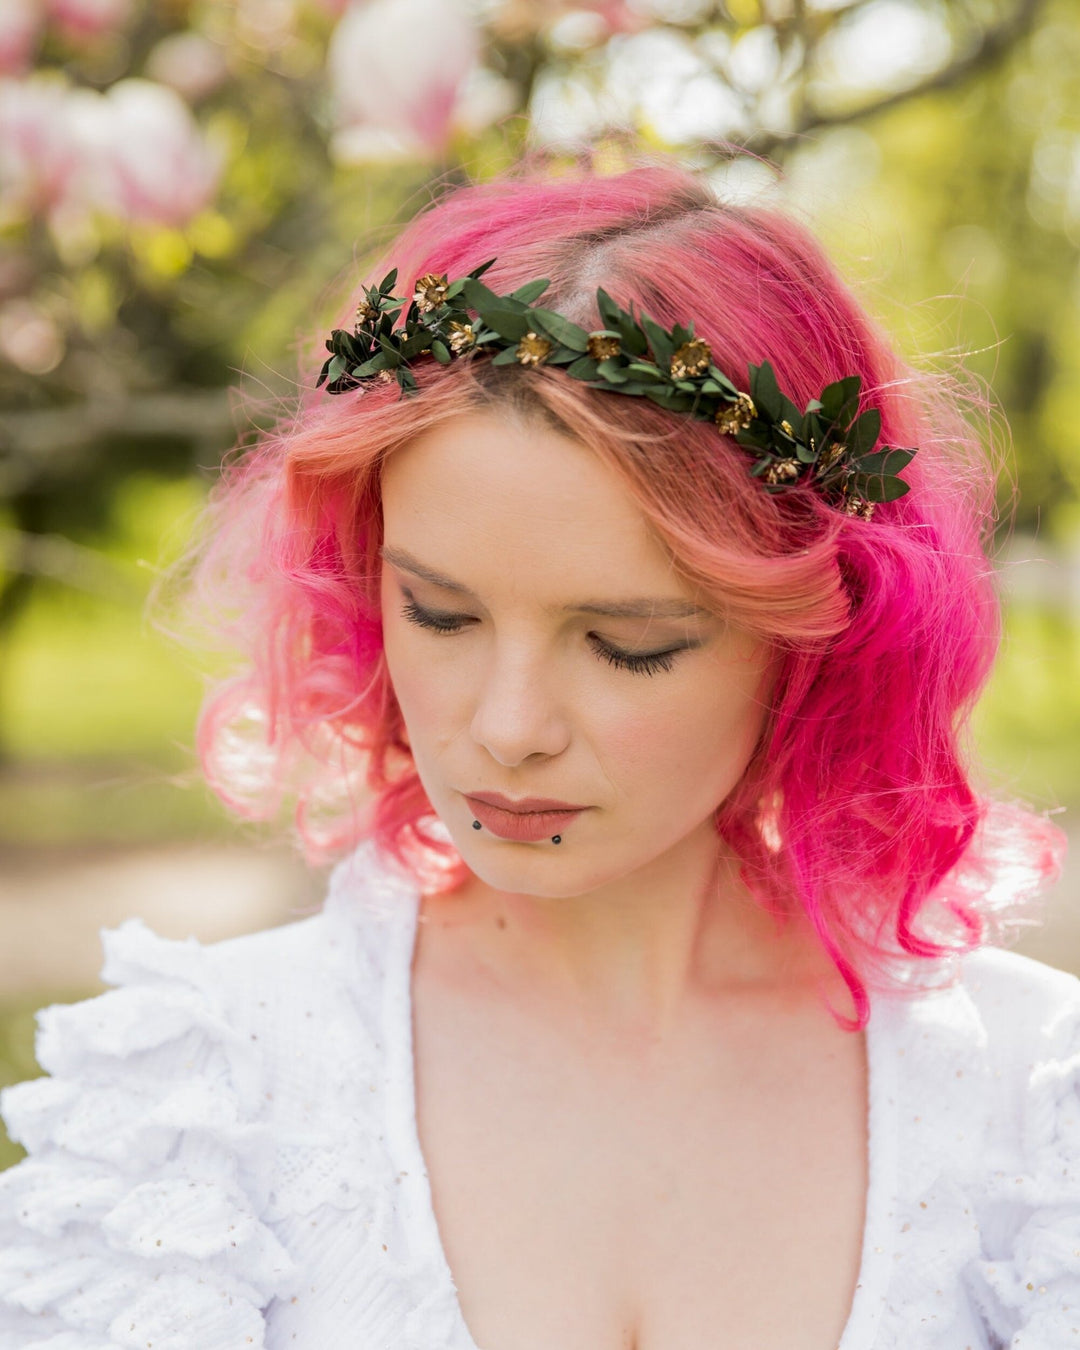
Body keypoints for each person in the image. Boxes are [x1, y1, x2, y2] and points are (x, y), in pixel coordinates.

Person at [0, 160, 1076, 1350]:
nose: (508, 727)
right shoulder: (199, 1110)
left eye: (627, 645)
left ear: (814, 636)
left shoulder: (1031, 1110)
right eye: (442, 617)